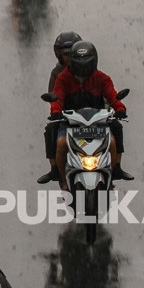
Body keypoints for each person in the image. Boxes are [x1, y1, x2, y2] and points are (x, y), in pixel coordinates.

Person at [50, 41, 133, 191]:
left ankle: (116, 169)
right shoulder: (62, 78)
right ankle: (62, 179)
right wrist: (55, 111)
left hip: (98, 123)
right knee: (60, 142)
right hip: (70, 123)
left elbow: (113, 96)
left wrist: (120, 108)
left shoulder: (102, 78)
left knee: (113, 140)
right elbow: (57, 97)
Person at [37, 31, 82, 184]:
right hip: (66, 117)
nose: (69, 57)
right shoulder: (57, 73)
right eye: (65, 54)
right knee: (50, 130)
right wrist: (57, 111)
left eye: (72, 53)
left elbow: (104, 92)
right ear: (60, 55)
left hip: (92, 116)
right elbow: (53, 96)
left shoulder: (89, 69)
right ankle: (55, 169)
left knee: (113, 130)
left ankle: (114, 167)